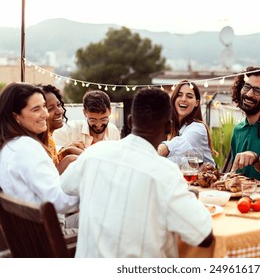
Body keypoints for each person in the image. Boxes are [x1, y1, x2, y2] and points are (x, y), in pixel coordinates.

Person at [60, 87, 214, 258]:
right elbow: (204, 236)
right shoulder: (166, 174)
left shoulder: (94, 154)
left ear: (130, 121)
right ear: (169, 127)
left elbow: (62, 189)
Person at [0, 82, 79, 232]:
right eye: (36, 109)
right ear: (16, 117)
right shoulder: (26, 147)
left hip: (28, 237)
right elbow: (59, 201)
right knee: (110, 227)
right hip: (51, 240)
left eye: (44, 106)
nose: (45, 114)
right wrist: (92, 188)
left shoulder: (8, 148)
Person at [157, 80, 216, 166]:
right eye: (179, 95)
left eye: (189, 96)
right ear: (173, 99)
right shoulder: (170, 129)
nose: (183, 99)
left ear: (197, 103)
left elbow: (182, 143)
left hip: (207, 178)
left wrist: (159, 150)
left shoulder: (198, 128)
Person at [53, 90, 120, 149]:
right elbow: (53, 154)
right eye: (93, 120)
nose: (98, 125)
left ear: (110, 111)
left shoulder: (113, 131)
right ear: (84, 113)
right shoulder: (67, 131)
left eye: (103, 119)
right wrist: (66, 150)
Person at [39, 84, 83, 174]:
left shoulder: (49, 136)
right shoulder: (37, 142)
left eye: (59, 105)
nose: (59, 111)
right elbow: (45, 178)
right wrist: (69, 159)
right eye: (50, 109)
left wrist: (66, 152)